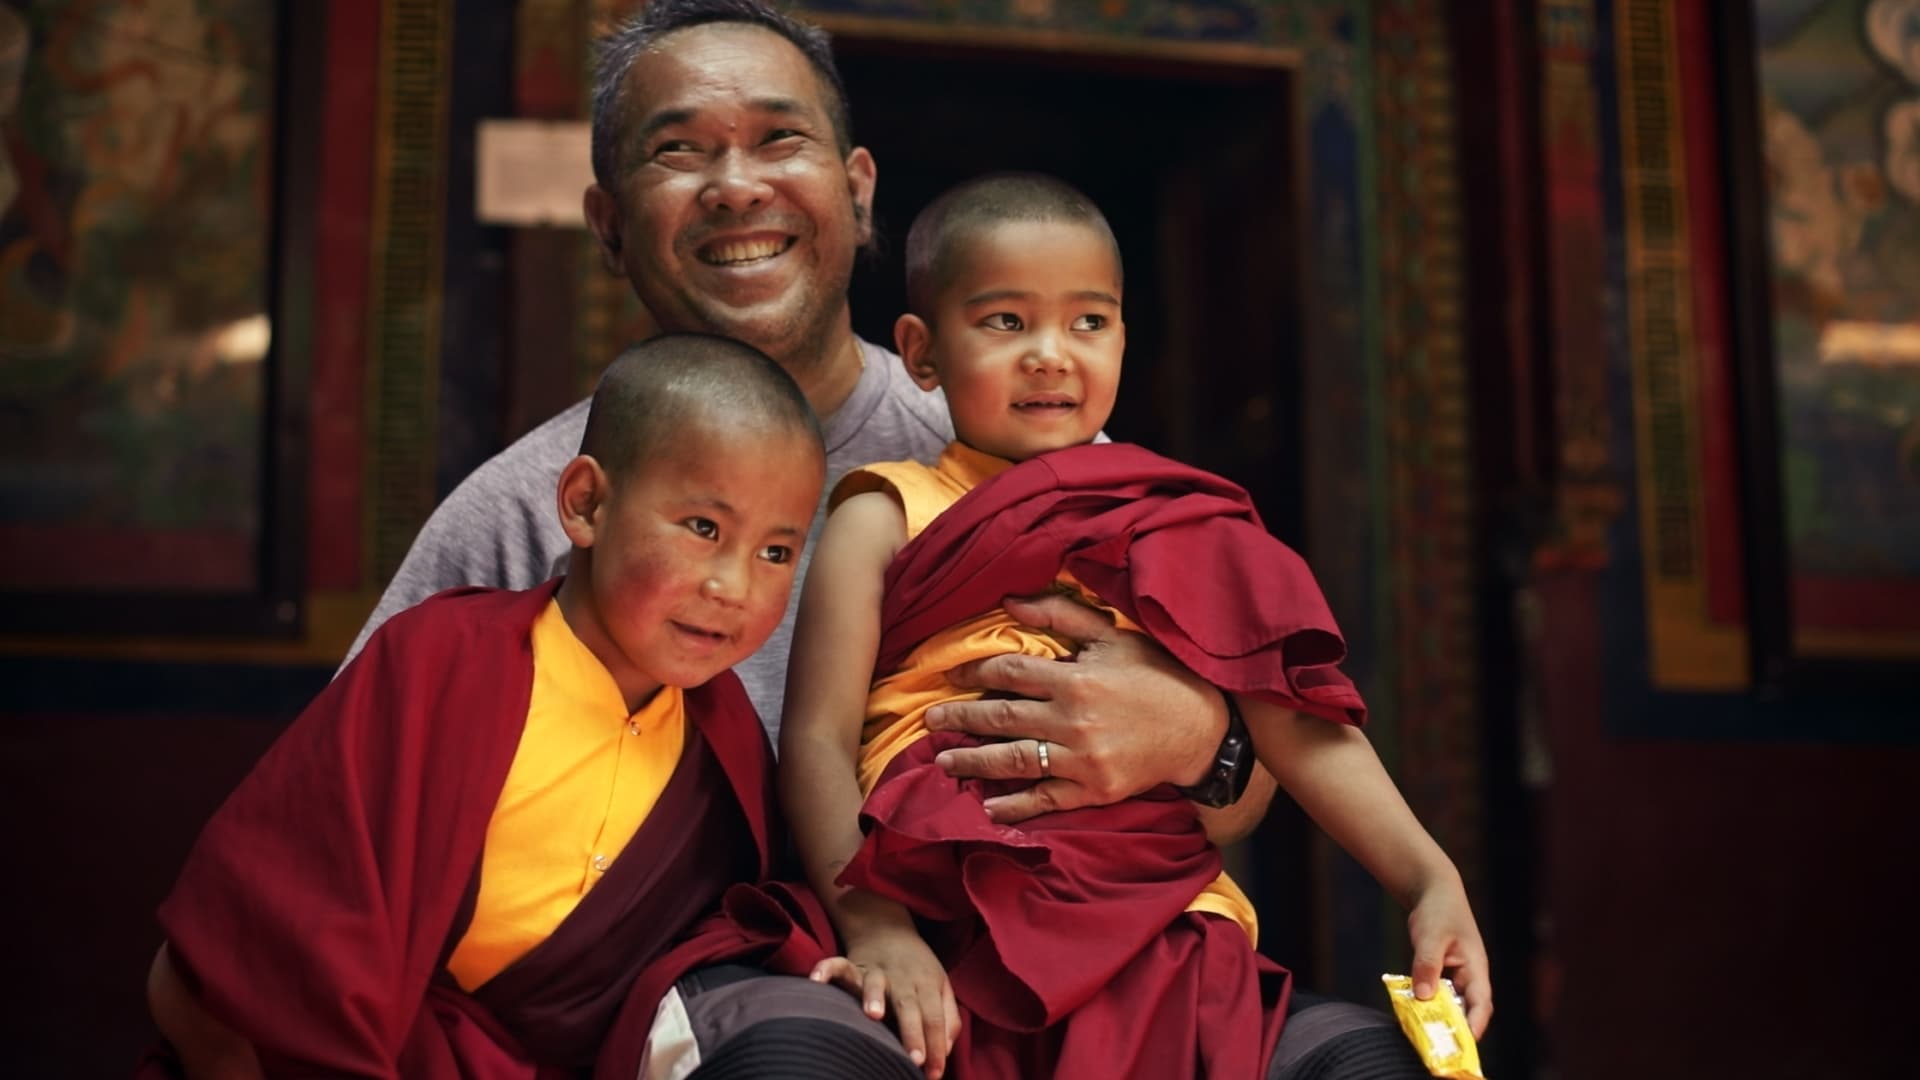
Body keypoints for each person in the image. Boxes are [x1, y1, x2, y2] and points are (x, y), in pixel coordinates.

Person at [778, 175, 1493, 1079]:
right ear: (921, 352)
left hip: (1156, 915)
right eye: (1005, 322)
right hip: (942, 900)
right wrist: (878, 929)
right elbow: (813, 737)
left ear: (1123, 336)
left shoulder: (1173, 518)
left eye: (1089, 322)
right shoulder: (884, 513)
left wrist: (1428, 879)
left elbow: (1295, 719)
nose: (1051, 355)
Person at [139, 335, 867, 1077]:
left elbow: (739, 926)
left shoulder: (724, 740)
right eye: (704, 529)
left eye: (776, 552)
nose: (734, 587)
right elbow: (257, 940)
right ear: (585, 504)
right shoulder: (439, 664)